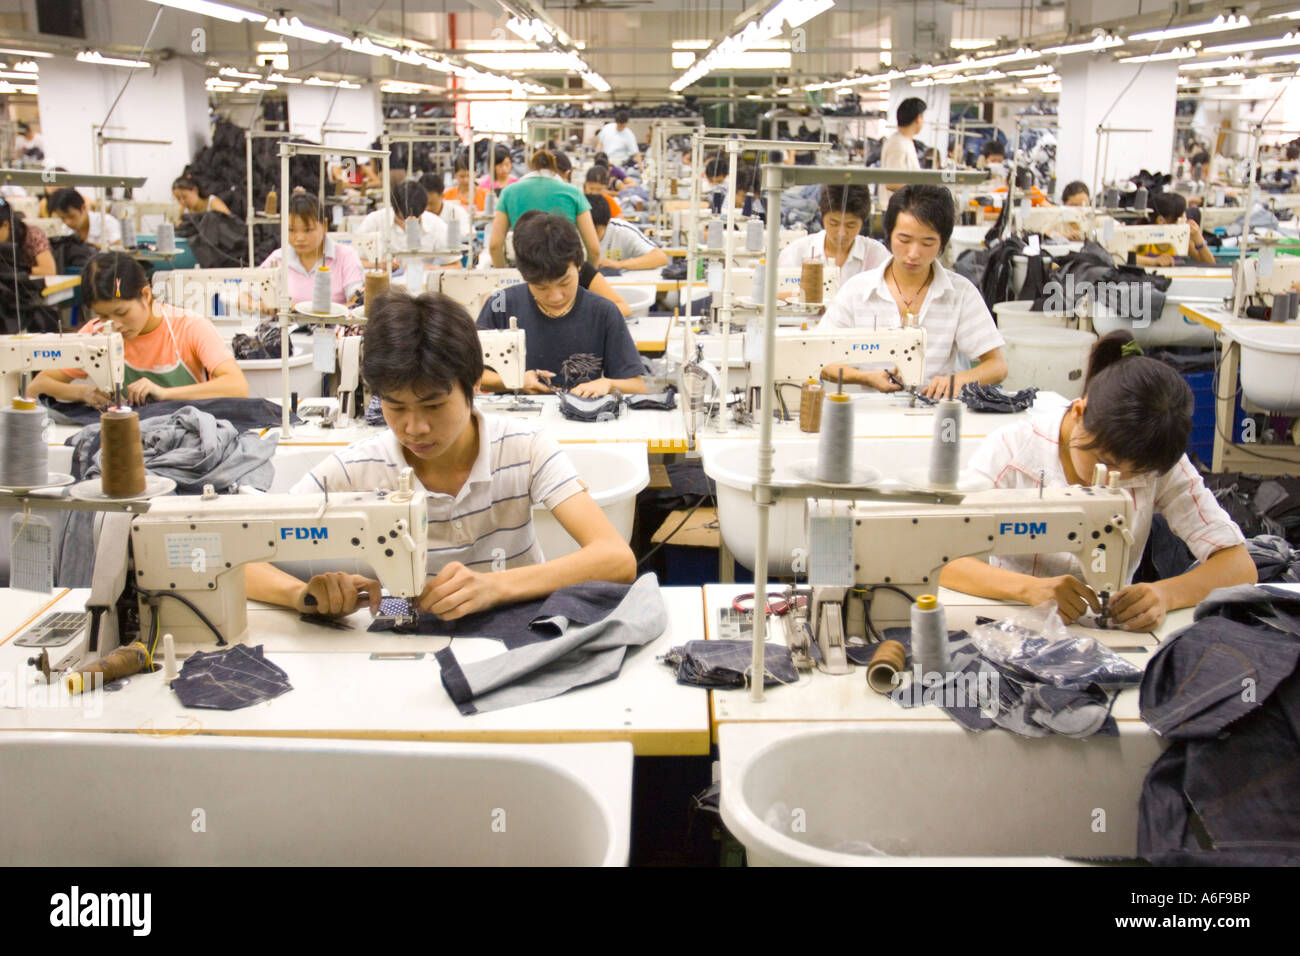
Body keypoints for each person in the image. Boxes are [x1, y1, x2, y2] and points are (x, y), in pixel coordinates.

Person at [243, 289, 637, 619]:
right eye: (396, 407)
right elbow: (240, 556)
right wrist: (301, 596)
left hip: (521, 617)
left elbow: (616, 559)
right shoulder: (358, 467)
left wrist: (492, 587)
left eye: (433, 406)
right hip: (411, 619)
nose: (414, 428)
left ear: (475, 386)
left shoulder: (525, 448)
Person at [940, 330, 1256, 632]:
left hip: (1111, 629)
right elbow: (940, 554)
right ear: (1079, 411)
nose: (1116, 481)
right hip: (1011, 622)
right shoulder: (1012, 451)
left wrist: (1165, 594)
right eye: (1106, 463)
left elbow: (1239, 566)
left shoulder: (1155, 463)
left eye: (1134, 477)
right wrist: (1029, 588)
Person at [818, 184, 1007, 400]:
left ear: (942, 243)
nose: (914, 253)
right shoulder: (857, 291)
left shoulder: (960, 293)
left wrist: (956, 381)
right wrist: (866, 377)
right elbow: (822, 360)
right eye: (904, 240)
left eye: (928, 242)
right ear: (888, 235)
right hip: (874, 415)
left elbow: (997, 366)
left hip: (938, 414)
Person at [28, 252, 248, 407]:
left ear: (145, 295)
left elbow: (237, 387)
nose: (115, 325)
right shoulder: (95, 333)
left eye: (122, 313)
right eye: (103, 316)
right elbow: (37, 386)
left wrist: (165, 394)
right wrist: (83, 393)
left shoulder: (189, 326)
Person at [476, 213, 645, 398]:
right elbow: (469, 373)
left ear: (579, 265)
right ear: (525, 276)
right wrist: (514, 381)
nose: (555, 297)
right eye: (541, 287)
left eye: (564, 283)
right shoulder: (500, 304)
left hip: (581, 422)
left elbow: (637, 386)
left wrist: (608, 384)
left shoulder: (604, 312)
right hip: (515, 424)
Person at [491, 150, 600, 267]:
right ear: (555, 169)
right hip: (562, 273)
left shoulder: (508, 192)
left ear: (531, 167)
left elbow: (495, 246)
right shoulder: (573, 193)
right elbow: (594, 250)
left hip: (525, 271)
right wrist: (585, 278)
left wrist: (503, 274)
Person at [257, 192, 364, 310]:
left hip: (333, 327)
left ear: (325, 226)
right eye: (291, 230)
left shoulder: (345, 256)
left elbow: (357, 302)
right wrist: (261, 306)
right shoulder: (278, 258)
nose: (299, 238)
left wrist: (307, 312)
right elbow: (244, 295)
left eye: (308, 230)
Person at [779, 185, 888, 282]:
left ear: (864, 219)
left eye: (850, 225)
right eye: (834, 223)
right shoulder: (797, 253)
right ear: (821, 213)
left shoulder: (877, 256)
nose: (841, 233)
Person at [356, 180, 449, 269]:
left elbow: (456, 264)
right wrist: (378, 266)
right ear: (394, 208)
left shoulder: (436, 225)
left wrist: (429, 269)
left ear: (424, 209)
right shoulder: (375, 221)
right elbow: (354, 261)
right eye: (402, 219)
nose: (406, 224)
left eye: (414, 220)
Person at [587, 195, 667, 272]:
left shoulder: (622, 230)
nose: (591, 235)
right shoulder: (575, 234)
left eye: (596, 231)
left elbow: (660, 257)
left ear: (608, 222)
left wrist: (618, 264)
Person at [1135, 192, 1215, 267]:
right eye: (1181, 217)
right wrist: (1154, 261)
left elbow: (1210, 264)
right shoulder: (1141, 235)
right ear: (1161, 220)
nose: (1185, 220)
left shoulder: (1181, 238)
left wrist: (1199, 241)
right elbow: (1125, 258)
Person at [879, 97, 926, 210]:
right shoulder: (897, 144)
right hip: (896, 211)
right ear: (918, 119)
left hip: (904, 208)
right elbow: (892, 183)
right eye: (923, 117)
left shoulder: (905, 141)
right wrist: (922, 190)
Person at [420, 172, 471, 266]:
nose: (427, 208)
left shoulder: (457, 213)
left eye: (431, 203)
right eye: (424, 204)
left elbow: (466, 237)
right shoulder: (417, 216)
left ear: (442, 196)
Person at [48, 188, 120, 249]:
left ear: (83, 208)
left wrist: (91, 248)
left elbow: (119, 249)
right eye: (62, 218)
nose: (67, 222)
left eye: (71, 216)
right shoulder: (66, 230)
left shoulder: (107, 222)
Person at [0, 198, 56, 276]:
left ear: (5, 225)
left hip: (31, 284)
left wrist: (20, 271)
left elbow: (49, 270)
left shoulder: (32, 235)